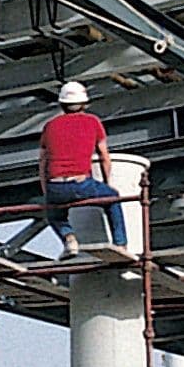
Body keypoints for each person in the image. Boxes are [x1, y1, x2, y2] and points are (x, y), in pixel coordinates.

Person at [38, 80, 131, 250]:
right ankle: (121, 244)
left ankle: (68, 237)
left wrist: (47, 191)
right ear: (84, 103)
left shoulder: (49, 126)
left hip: (55, 186)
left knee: (54, 214)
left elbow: (42, 162)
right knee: (113, 198)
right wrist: (106, 182)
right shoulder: (93, 122)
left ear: (62, 104)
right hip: (81, 183)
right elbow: (104, 156)